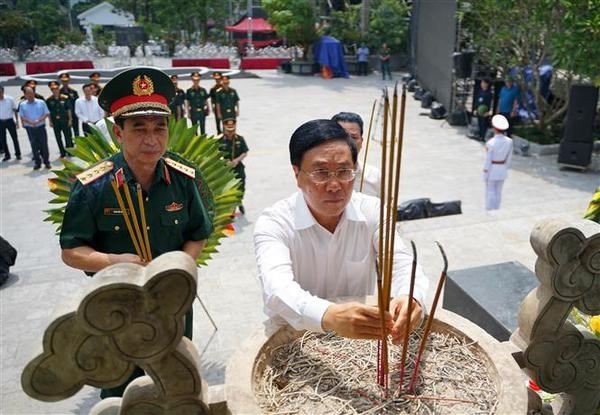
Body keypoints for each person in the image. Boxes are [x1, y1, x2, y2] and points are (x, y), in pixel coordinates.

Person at [59, 66, 214, 398]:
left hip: (170, 304)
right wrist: (113, 260)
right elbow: (72, 251)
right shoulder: (93, 187)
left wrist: (178, 271)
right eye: (139, 128)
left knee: (173, 382)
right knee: (118, 386)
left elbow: (198, 233)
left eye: (160, 128)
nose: (151, 139)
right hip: (116, 305)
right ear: (118, 133)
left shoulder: (182, 179)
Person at [254, 119, 428, 342]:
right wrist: (329, 315)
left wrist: (411, 296)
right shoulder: (275, 223)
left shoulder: (373, 211)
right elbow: (277, 288)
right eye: (321, 172)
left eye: (344, 171)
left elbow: (401, 262)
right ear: (296, 174)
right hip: (294, 336)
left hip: (360, 336)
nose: (335, 185)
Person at [332, 111, 381, 197]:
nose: (348, 142)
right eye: (342, 136)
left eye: (354, 137)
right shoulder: (318, 174)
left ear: (361, 142)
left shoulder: (374, 175)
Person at [218, 118, 248, 215]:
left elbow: (245, 152)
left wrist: (237, 160)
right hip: (226, 169)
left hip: (238, 167)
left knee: (241, 187)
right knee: (229, 188)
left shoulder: (240, 139)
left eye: (232, 130)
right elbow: (215, 154)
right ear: (224, 129)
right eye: (228, 130)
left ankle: (239, 202)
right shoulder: (219, 140)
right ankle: (232, 207)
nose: (231, 132)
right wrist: (224, 161)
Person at [484, 114, 513, 210]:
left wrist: (485, 170)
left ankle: (489, 207)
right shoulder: (509, 141)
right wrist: (506, 167)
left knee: (490, 190)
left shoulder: (491, 143)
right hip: (502, 167)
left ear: (494, 128)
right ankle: (497, 207)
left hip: (492, 168)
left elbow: (488, 159)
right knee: (499, 190)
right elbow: (509, 156)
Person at [18, 86, 51, 170]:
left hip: (40, 127)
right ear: (25, 95)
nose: (30, 95)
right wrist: (30, 122)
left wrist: (38, 120)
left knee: (44, 145)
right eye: (28, 93)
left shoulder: (41, 102)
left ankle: (46, 162)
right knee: (34, 146)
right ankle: (37, 162)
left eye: (31, 93)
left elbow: (46, 113)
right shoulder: (22, 104)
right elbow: (22, 116)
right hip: (30, 128)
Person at [46, 81, 73, 158]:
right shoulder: (49, 100)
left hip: (65, 120)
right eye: (53, 89)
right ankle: (62, 152)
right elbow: (49, 112)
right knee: (58, 137)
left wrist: (70, 119)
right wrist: (50, 121)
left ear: (58, 89)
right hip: (55, 122)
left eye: (56, 89)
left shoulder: (65, 98)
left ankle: (70, 151)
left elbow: (68, 109)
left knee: (67, 136)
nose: (55, 91)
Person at [0, 84, 21, 162]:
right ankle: (7, 155)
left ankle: (18, 154)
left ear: (3, 91)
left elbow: (15, 110)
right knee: (2, 139)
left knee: (14, 138)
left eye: (0, 92)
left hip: (10, 121)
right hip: (1, 122)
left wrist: (17, 121)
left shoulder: (10, 99)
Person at [185, 71, 209, 135]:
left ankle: (203, 141)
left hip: (202, 111)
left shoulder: (203, 90)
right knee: (194, 128)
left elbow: (205, 100)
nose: (196, 81)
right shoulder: (189, 91)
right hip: (193, 111)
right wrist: (188, 112)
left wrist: (208, 109)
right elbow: (188, 102)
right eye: (194, 80)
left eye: (197, 80)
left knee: (203, 127)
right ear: (192, 80)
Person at [59, 72, 80, 137]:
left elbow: (77, 103)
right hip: (64, 116)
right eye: (63, 81)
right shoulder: (59, 92)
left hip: (74, 115)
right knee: (67, 133)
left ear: (69, 81)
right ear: (61, 81)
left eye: (66, 81)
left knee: (76, 132)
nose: (65, 83)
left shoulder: (73, 92)